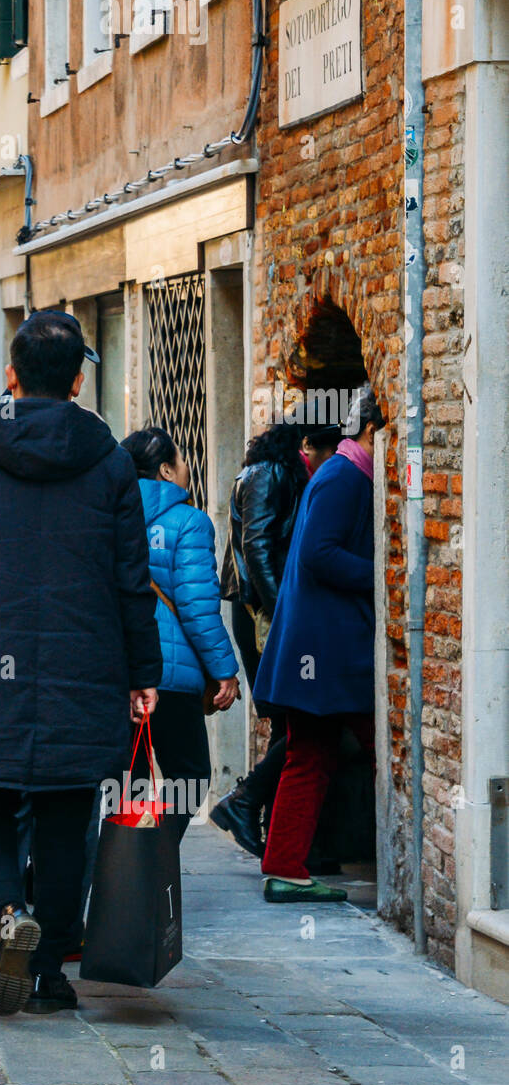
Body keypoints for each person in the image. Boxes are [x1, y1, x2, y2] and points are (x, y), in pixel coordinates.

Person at [0, 310, 161, 1016]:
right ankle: (47, 967)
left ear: (11, 377)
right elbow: (130, 580)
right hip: (85, 669)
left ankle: (6, 912)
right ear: (79, 380)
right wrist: (144, 674)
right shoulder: (111, 462)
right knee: (63, 819)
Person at [255, 386, 384, 903]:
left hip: (323, 648)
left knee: (310, 754)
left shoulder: (342, 473)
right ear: (372, 429)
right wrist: (383, 576)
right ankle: (286, 867)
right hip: (329, 653)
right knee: (382, 750)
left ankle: (284, 866)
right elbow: (316, 554)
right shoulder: (345, 476)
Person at [121, 428, 239, 845]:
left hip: (118, 672)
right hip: (170, 677)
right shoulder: (189, 522)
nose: (188, 467)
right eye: (182, 459)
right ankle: (155, 853)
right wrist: (224, 670)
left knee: (128, 776)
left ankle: (128, 864)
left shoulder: (107, 515)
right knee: (189, 773)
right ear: (167, 471)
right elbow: (197, 607)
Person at [210, 422, 311, 854]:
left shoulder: (270, 471)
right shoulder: (269, 473)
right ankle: (244, 800)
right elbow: (257, 547)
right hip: (260, 611)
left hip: (262, 608)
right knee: (302, 719)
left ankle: (260, 813)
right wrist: (281, 610)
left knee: (291, 720)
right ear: (301, 444)